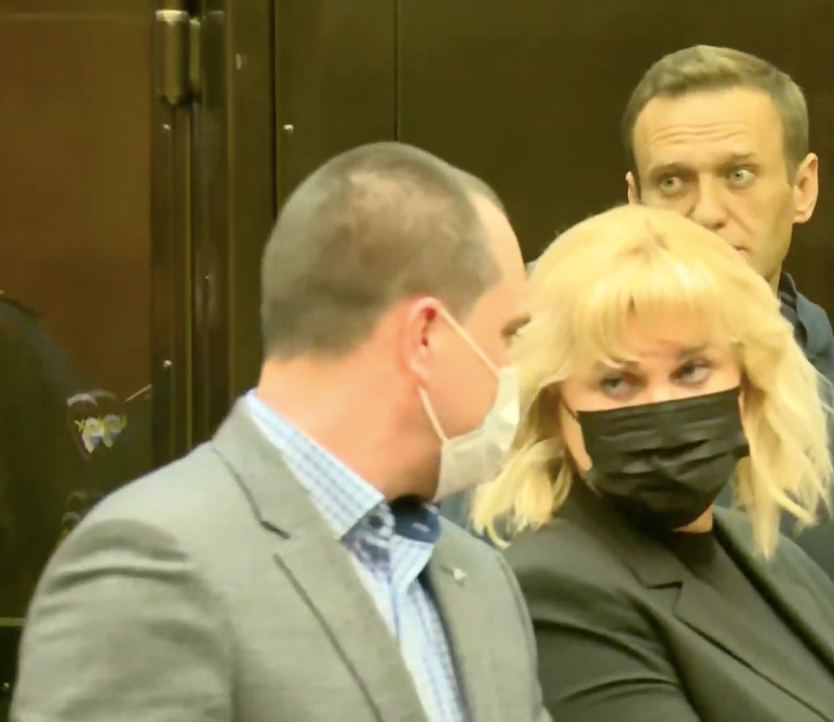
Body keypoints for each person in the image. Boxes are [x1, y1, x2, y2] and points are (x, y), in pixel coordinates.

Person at [12, 142, 551, 722]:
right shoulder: (152, 566)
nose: (518, 368)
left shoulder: (478, 580)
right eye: (509, 334)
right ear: (425, 336)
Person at [471, 205, 834, 722]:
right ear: (552, 408)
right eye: (617, 381)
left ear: (748, 381)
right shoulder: (556, 589)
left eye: (692, 370)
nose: (662, 404)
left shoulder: (780, 566)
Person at [619, 45, 834, 721]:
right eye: (672, 182)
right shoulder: (588, 405)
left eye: (738, 175)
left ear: (803, 189)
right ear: (634, 202)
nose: (707, 212)